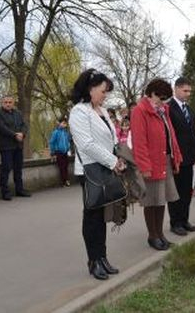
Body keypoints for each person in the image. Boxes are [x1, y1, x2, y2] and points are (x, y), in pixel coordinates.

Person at [69, 69, 126, 280]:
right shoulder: (79, 112)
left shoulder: (101, 110)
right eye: (103, 91)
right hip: (90, 170)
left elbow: (111, 139)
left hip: (105, 167)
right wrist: (112, 162)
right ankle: (93, 261)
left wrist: (119, 158)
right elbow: (86, 144)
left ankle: (102, 258)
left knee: (101, 216)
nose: (106, 95)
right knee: (92, 216)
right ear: (90, 89)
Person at [131, 78, 183, 251]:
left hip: (164, 160)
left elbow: (172, 136)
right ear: (151, 94)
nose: (162, 102)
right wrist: (144, 166)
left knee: (161, 200)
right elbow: (139, 142)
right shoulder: (140, 111)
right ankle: (152, 236)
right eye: (160, 98)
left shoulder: (163, 111)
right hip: (150, 163)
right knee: (151, 201)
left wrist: (176, 156)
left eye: (165, 99)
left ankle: (160, 234)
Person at [167, 77, 195, 236]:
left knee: (187, 191)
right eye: (185, 90)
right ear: (176, 89)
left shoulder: (189, 109)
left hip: (189, 158)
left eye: (189, 91)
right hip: (176, 158)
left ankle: (184, 220)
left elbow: (194, 134)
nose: (188, 94)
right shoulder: (168, 108)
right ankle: (175, 223)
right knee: (176, 192)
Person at [0, 95, 31, 200]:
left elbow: (24, 125)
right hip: (6, 146)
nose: (8, 104)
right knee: (6, 168)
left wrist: (22, 134)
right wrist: (15, 135)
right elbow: (1, 128)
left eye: (10, 102)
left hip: (18, 145)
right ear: (2, 103)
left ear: (13, 103)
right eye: (6, 102)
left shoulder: (18, 113)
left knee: (18, 169)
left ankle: (20, 189)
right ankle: (5, 192)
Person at [49, 116, 71, 187]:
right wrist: (53, 152)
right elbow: (52, 142)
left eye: (65, 123)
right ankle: (64, 181)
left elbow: (68, 141)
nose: (65, 125)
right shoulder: (56, 132)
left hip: (65, 152)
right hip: (58, 152)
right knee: (61, 167)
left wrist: (68, 147)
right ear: (59, 123)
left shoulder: (65, 132)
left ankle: (66, 180)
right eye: (63, 123)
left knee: (65, 166)